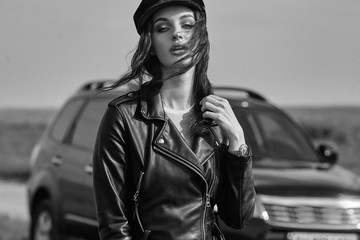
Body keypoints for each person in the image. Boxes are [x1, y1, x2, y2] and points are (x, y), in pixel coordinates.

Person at [92, 0, 256, 239]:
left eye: (187, 25)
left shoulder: (216, 119)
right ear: (150, 44)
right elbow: (113, 226)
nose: (177, 34)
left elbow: (238, 218)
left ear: (202, 36)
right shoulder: (124, 118)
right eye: (163, 28)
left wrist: (237, 143)